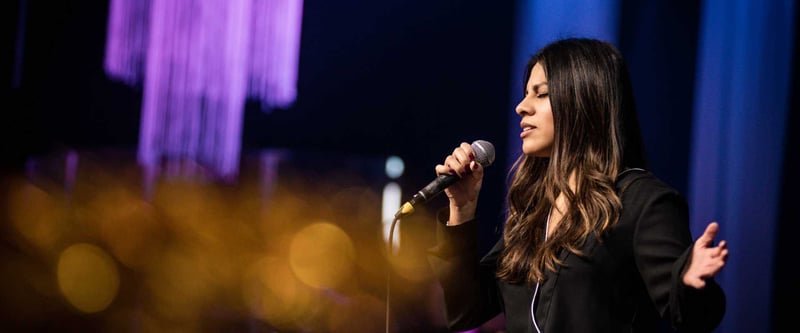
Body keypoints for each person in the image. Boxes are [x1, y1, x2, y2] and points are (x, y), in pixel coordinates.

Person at [426, 38, 728, 333]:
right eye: (525, 94)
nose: (521, 107)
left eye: (540, 94)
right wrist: (461, 208)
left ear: (582, 100)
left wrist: (690, 282)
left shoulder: (641, 201)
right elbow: (465, 311)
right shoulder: (535, 209)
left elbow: (690, 316)